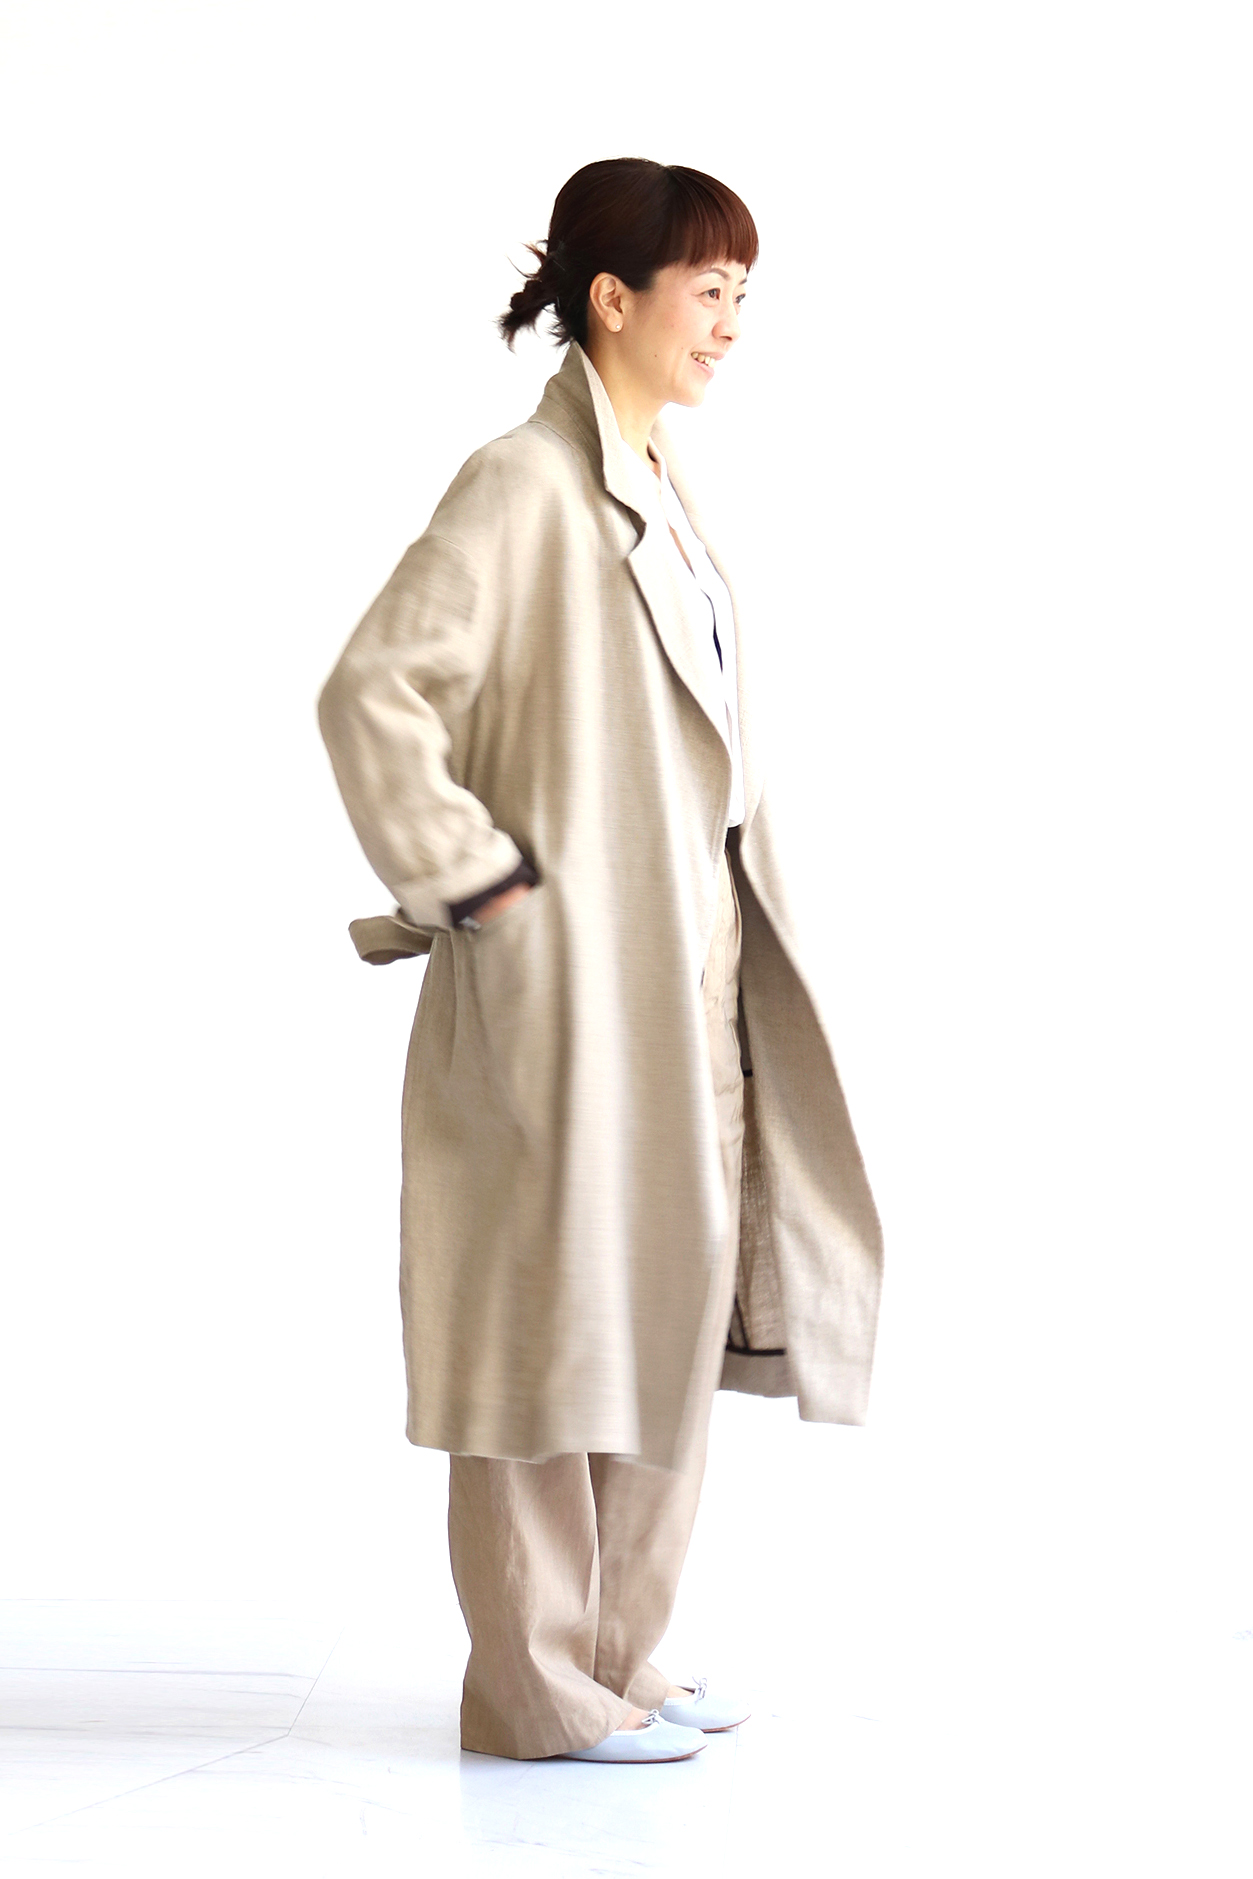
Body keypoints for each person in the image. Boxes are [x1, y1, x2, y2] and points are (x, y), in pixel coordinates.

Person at [317, 157, 884, 1765]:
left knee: (666, 1305)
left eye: (745, 293)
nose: (732, 322)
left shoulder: (661, 482)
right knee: (540, 1330)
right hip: (566, 994)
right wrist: (478, 881)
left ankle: (621, 1656)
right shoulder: (521, 484)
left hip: (692, 976)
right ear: (613, 298)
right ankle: (533, 1689)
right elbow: (372, 692)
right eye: (709, 288)